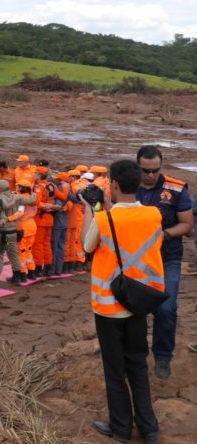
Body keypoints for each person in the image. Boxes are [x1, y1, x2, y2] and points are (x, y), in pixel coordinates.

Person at [81, 159, 163, 444]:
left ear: (113, 184)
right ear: (139, 182)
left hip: (108, 307)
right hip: (139, 302)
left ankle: (120, 428)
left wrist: (89, 209)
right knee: (138, 365)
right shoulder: (154, 214)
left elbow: (86, 245)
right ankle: (149, 428)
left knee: (115, 370)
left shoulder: (105, 218)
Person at [135, 145, 192, 380]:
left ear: (161, 165)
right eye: (145, 170)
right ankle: (135, 354)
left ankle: (162, 357)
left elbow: (187, 225)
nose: (150, 175)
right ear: (137, 165)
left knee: (166, 308)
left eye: (154, 170)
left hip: (167, 257)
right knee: (134, 307)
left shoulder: (176, 188)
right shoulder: (127, 186)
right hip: (135, 259)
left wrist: (165, 235)